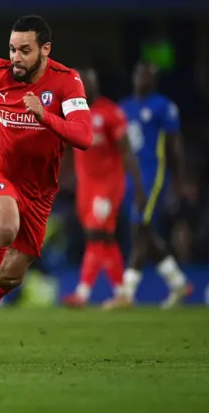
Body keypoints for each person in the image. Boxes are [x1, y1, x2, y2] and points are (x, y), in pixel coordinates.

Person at [0, 15, 92, 360]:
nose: (16, 58)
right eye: (12, 49)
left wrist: (45, 116)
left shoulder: (67, 82)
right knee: (6, 229)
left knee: (10, 277)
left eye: (25, 50)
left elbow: (84, 137)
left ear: (45, 50)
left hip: (40, 192)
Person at [103, 62, 192, 310]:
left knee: (138, 227)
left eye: (147, 75)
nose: (142, 78)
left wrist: (179, 181)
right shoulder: (124, 107)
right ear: (133, 77)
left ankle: (127, 292)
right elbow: (117, 149)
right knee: (145, 232)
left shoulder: (163, 106)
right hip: (129, 178)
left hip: (153, 175)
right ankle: (178, 283)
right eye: (139, 73)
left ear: (154, 80)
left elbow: (175, 148)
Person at [62, 68, 146, 308]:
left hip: (107, 186)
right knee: (105, 238)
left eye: (84, 84)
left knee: (95, 234)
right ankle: (123, 293)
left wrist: (138, 186)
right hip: (85, 186)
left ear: (94, 85)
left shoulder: (111, 113)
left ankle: (82, 293)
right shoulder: (72, 112)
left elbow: (126, 151)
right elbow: (68, 147)